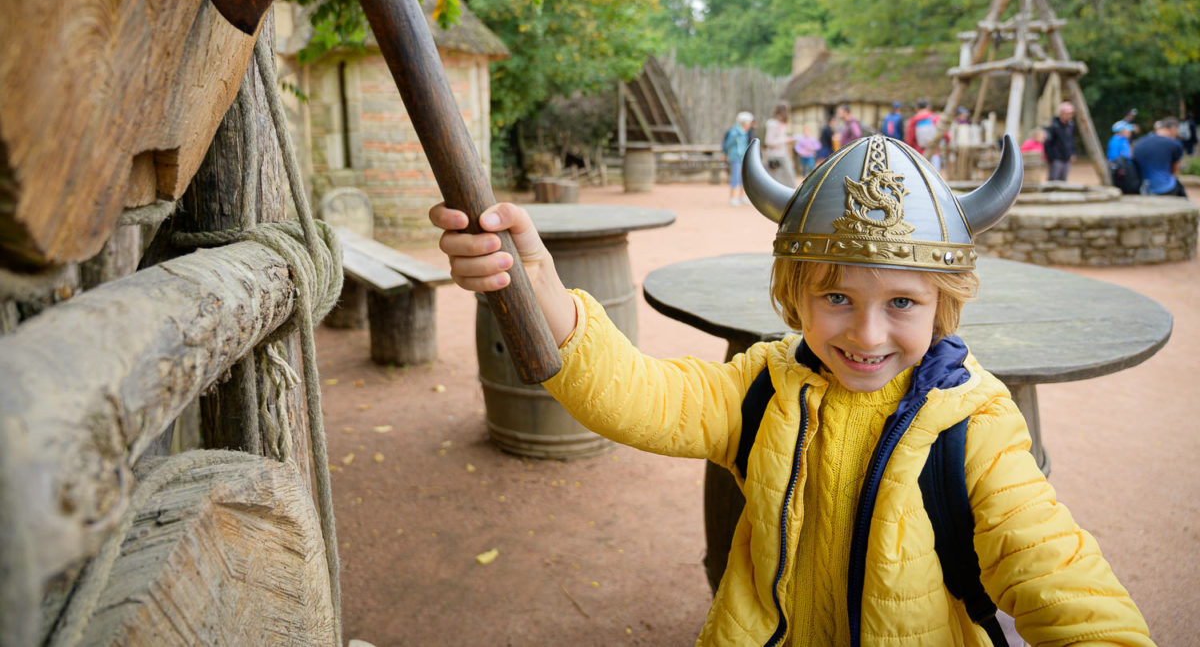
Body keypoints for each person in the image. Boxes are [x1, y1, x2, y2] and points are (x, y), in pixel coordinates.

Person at [430, 134, 1154, 647]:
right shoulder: (764, 387)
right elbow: (641, 395)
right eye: (836, 298)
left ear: (945, 304)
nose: (867, 335)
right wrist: (537, 285)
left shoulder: (976, 425)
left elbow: (1062, 577)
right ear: (792, 294)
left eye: (902, 303)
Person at [1134, 118, 1187, 196]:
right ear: (1173, 129)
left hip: (1143, 188)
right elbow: (1175, 169)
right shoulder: (1175, 144)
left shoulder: (1139, 142)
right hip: (1165, 188)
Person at [722, 111, 755, 206]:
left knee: (742, 178)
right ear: (744, 122)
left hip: (742, 157)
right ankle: (732, 197)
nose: (750, 125)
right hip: (735, 157)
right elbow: (728, 144)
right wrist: (726, 153)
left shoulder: (745, 132)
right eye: (749, 122)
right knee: (735, 177)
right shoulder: (734, 132)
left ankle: (741, 196)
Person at [763, 102, 796, 187]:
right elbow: (769, 141)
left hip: (782, 154)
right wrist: (785, 140)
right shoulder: (772, 124)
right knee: (776, 180)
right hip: (774, 156)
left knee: (789, 178)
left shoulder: (782, 124)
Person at [1043, 101, 1077, 181]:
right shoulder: (1053, 125)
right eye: (1068, 113)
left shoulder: (1070, 125)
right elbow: (1047, 143)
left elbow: (1071, 140)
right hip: (1056, 159)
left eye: (1071, 113)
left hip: (1067, 157)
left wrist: (1072, 153)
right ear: (1062, 113)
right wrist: (1052, 157)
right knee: (1053, 179)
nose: (1070, 116)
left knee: (1063, 180)